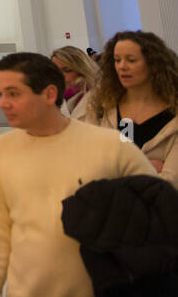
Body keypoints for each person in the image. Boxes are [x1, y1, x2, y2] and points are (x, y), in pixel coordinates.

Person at [0, 52, 157, 297]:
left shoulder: (112, 146)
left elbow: (161, 217)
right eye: (0, 93)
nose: (3, 103)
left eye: (13, 93)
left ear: (49, 94)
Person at [72, 30, 178, 185]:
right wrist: (147, 170)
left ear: (153, 64)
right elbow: (84, 166)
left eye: (131, 60)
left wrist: (114, 172)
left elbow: (169, 183)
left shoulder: (173, 114)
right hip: (109, 207)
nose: (122, 66)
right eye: (117, 60)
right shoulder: (99, 106)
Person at [51, 45, 98, 116]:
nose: (59, 76)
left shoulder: (98, 97)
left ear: (81, 70)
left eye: (67, 70)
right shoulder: (51, 99)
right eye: (55, 71)